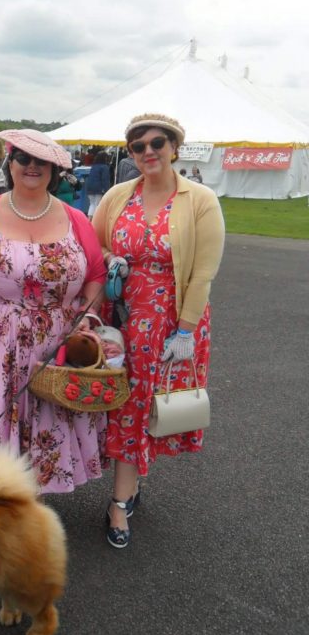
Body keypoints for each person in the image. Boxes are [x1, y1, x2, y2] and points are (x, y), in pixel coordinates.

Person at [92, 113, 225, 549]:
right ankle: (125, 489)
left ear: (174, 147)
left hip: (170, 323)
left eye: (156, 143)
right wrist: (113, 258)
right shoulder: (118, 194)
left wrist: (185, 330)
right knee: (123, 407)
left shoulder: (199, 199)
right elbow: (97, 246)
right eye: (137, 146)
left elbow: (203, 273)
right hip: (123, 318)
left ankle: (119, 500)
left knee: (141, 412)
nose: (147, 152)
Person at [0, 128, 108, 493]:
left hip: (56, 345)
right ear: (10, 163)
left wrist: (88, 320)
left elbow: (95, 274)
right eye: (23, 158)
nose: (32, 166)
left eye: (41, 161)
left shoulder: (76, 219)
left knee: (47, 427)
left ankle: (32, 514)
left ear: (53, 169)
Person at [86, 151, 111, 217]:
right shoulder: (104, 167)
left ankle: (89, 219)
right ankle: (95, 221)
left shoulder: (93, 166)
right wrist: (107, 190)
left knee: (92, 204)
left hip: (90, 188)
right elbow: (105, 180)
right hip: (99, 188)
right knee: (97, 204)